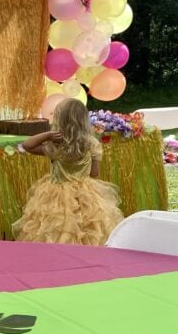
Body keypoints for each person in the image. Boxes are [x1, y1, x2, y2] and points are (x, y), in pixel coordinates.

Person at [13, 98, 124, 246]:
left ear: (59, 121)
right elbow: (95, 173)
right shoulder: (92, 144)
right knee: (88, 224)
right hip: (86, 193)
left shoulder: (56, 146)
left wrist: (47, 135)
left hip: (56, 192)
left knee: (58, 224)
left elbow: (27, 145)